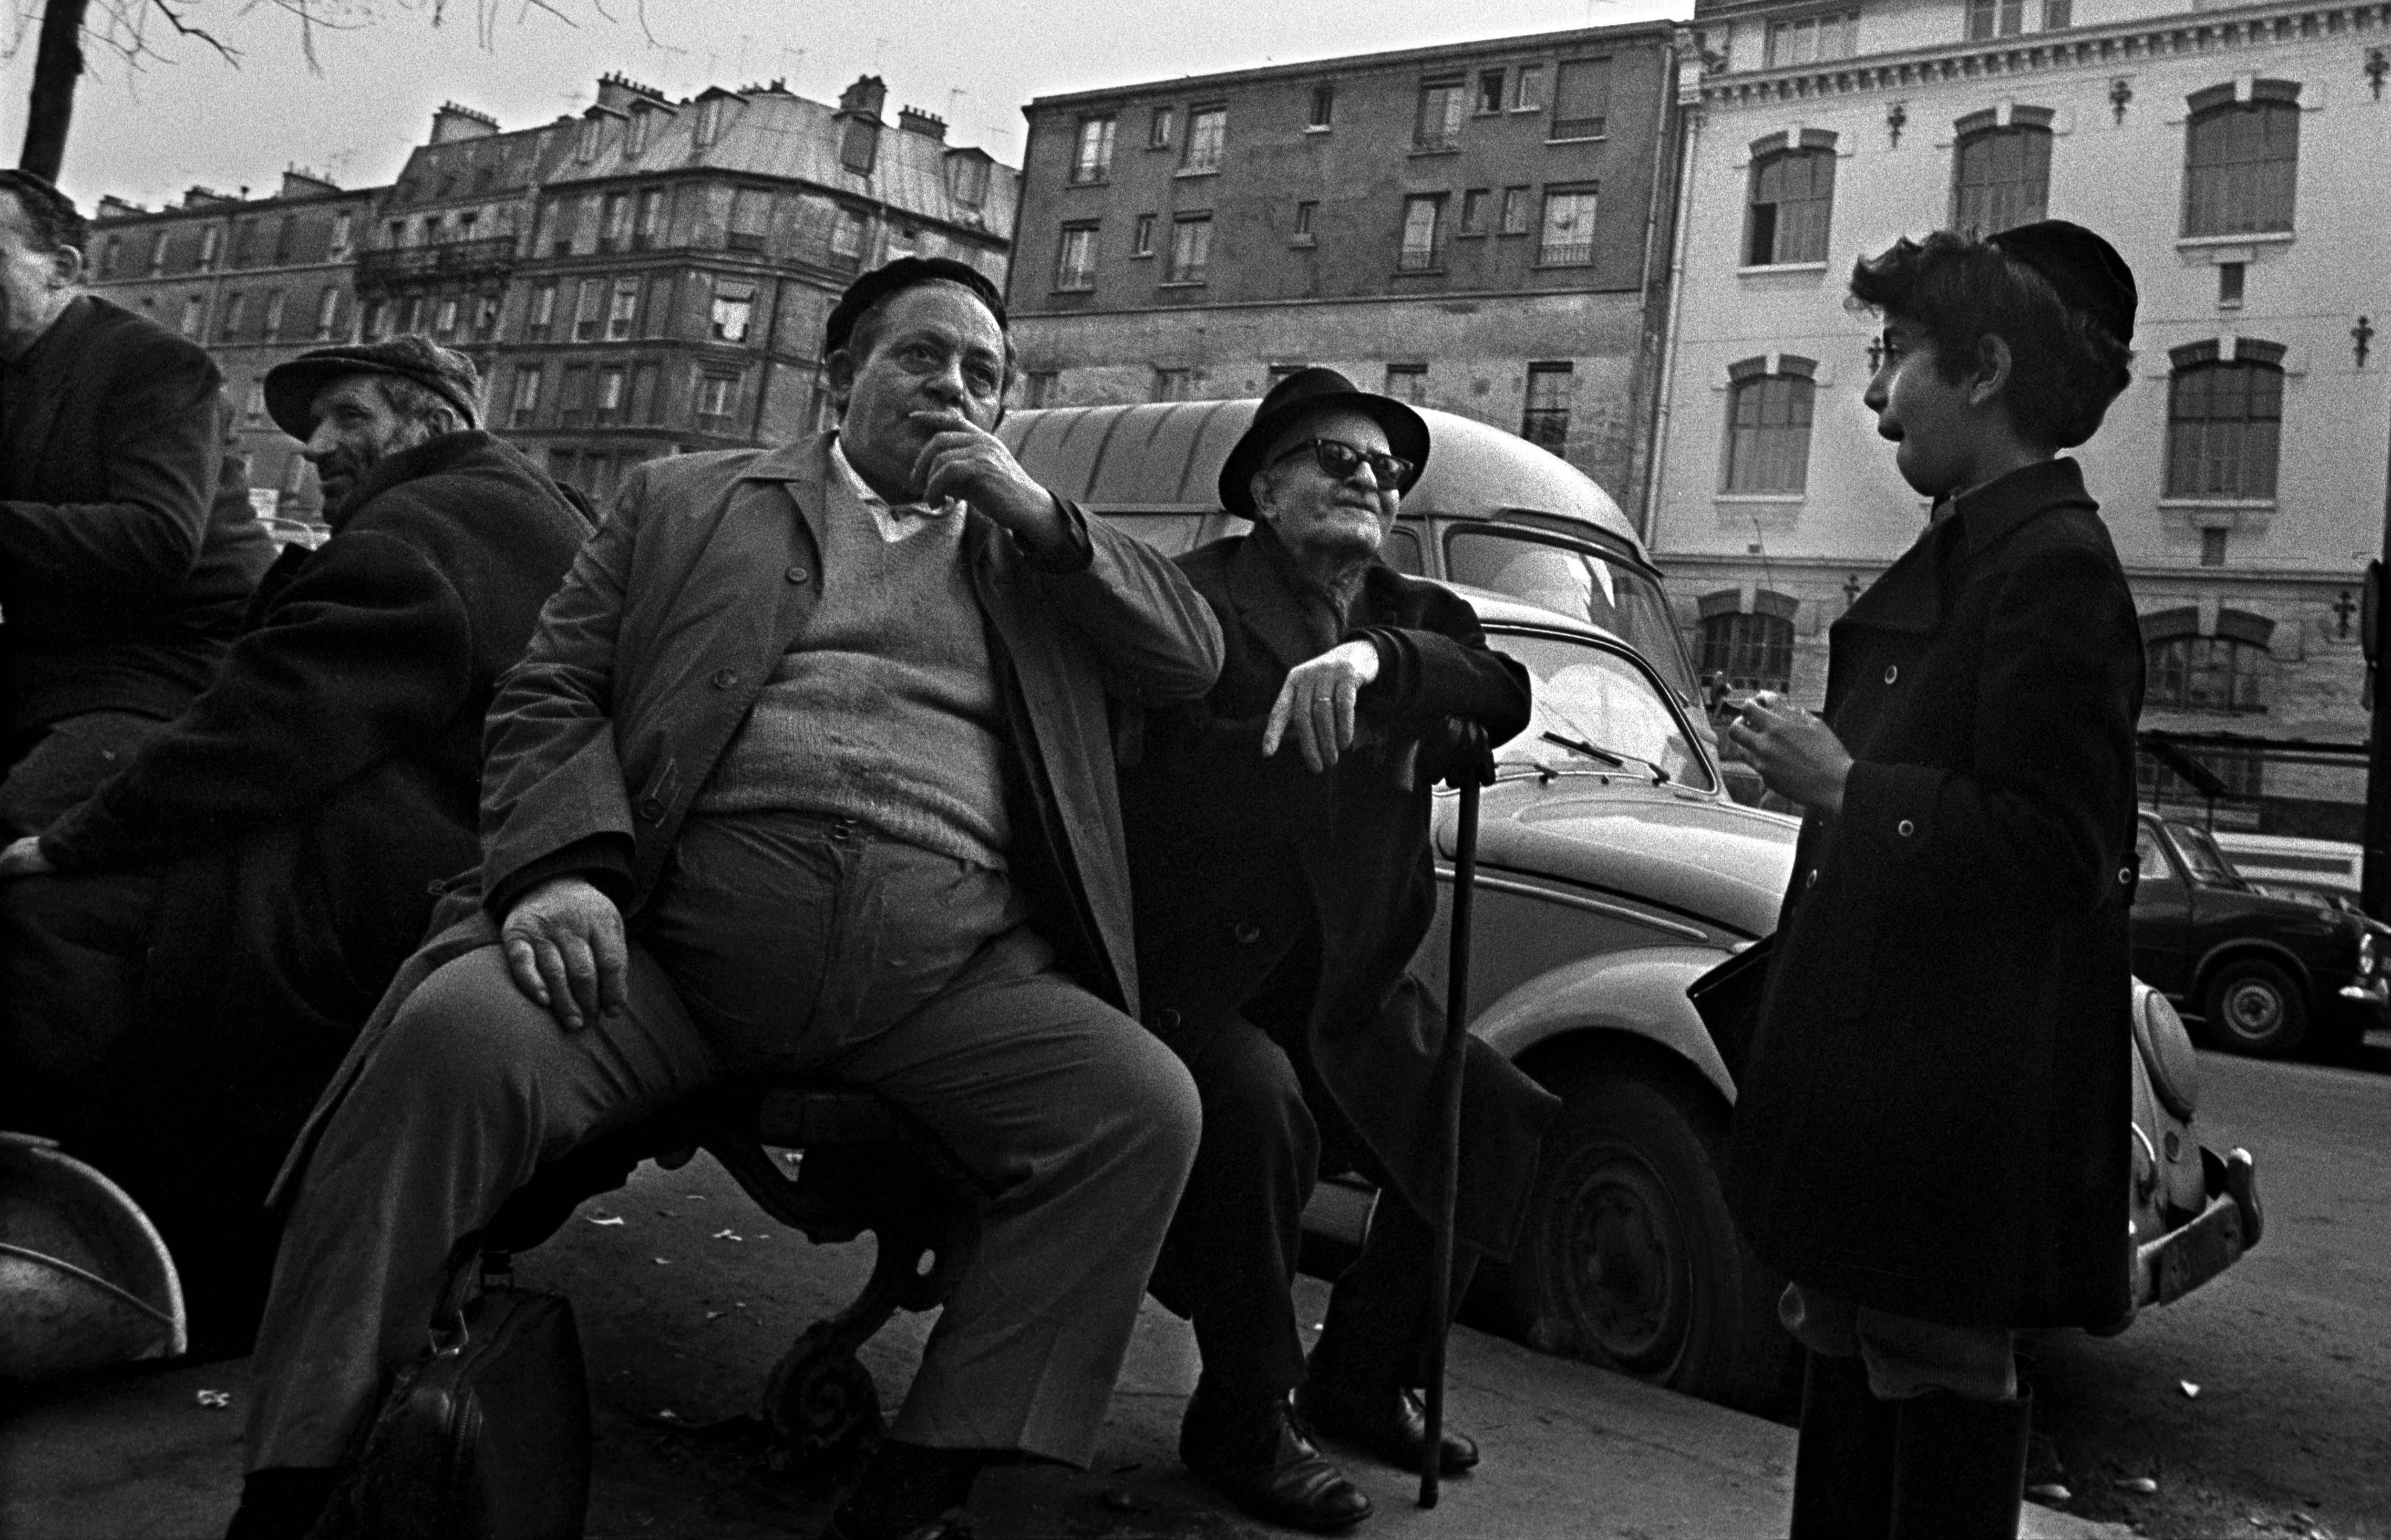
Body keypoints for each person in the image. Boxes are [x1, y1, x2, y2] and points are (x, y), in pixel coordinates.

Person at [224, 260, 1222, 1540]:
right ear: (841, 377)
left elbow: (1190, 661)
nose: (958, 390)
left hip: (945, 982)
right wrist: (562, 872)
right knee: (452, 1041)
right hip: (668, 951)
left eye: (987, 373)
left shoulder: (1036, 556)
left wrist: (1042, 515)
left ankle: (935, 1489)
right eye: (925, 357)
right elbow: (551, 692)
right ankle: (304, 1474)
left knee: (1140, 1107)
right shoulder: (686, 500)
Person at [0, 334, 590, 1351]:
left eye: (349, 416)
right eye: (315, 423)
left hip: (391, 882)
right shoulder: (506, 506)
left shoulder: (419, 529)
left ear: (432, 421)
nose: (316, 444)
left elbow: (269, 729)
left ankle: (133, 1241)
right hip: (468, 847)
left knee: (54, 921)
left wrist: (73, 840)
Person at [1717, 222, 2142, 1540]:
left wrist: (1848, 787)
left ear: (1986, 368)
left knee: (1930, 1371)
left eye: (1895, 354)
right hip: (1892, 1072)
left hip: (1949, 1091)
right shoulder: (1983, 549)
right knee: (1846, 1344)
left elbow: (2059, 848)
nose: (1871, 389)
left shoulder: (2053, 566)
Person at [1125, 368, 1554, 1532]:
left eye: (1386, 468)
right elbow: (1167, 763)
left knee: (1492, 1115)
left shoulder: (1420, 613)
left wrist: (1380, 672)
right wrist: (1354, 743)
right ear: (1266, 488)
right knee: (1259, 1114)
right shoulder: (1192, 598)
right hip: (1209, 977)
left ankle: (1366, 1374)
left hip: (1349, 982)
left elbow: (1503, 691)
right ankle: (1244, 1412)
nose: (1369, 477)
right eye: (1336, 457)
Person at [0, 167, 270, 835]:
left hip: (174, 666)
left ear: (60, 269)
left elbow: (156, 540)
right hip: (52, 659)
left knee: (20, 816)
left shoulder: (155, 365)